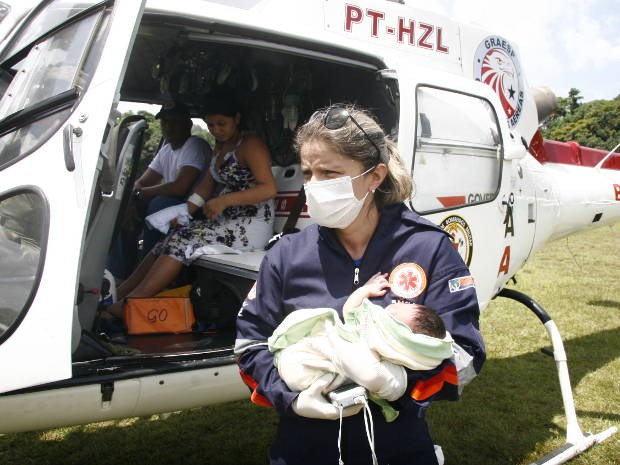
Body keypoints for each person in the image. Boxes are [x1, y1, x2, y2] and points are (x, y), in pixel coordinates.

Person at [235, 104, 486, 465]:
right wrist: (292, 399)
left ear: (375, 176)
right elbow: (249, 345)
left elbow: (465, 353)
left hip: (397, 447)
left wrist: (391, 386)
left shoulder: (428, 247)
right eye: (308, 173)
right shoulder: (287, 255)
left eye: (330, 173)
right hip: (302, 448)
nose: (314, 186)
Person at [102, 95, 277, 320]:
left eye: (222, 124)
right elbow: (205, 187)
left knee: (182, 242)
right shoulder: (220, 147)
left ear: (237, 119)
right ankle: (120, 292)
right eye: (211, 125)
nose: (216, 130)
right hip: (225, 221)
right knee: (170, 236)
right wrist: (183, 212)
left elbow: (269, 189)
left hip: (250, 226)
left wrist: (225, 200)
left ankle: (131, 304)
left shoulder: (250, 145)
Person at [269, 272, 454, 397]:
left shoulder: (388, 358)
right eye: (406, 304)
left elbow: (372, 376)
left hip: (312, 373)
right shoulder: (372, 321)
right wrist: (366, 290)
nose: (396, 305)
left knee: (302, 365)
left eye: (395, 315)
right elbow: (351, 309)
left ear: (401, 341)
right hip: (311, 352)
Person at [107, 101, 212, 279]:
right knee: (125, 207)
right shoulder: (166, 150)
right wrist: (131, 200)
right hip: (173, 207)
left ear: (188, 124)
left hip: (195, 210)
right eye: (165, 122)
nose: (168, 127)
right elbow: (141, 182)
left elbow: (180, 187)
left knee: (160, 204)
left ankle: (147, 272)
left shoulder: (194, 145)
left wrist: (141, 194)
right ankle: (117, 273)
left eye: (174, 122)